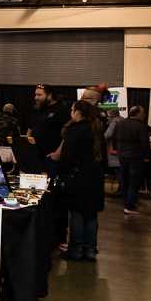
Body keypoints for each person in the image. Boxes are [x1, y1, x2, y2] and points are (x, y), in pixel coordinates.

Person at [59, 100, 106, 261]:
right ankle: (91, 249)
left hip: (78, 178)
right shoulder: (97, 131)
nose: (70, 113)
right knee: (91, 215)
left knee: (77, 214)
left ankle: (76, 250)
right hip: (95, 178)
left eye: (72, 110)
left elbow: (66, 157)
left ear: (78, 112)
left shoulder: (74, 130)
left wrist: (62, 173)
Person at [113, 105, 151, 216]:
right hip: (135, 157)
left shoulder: (120, 123)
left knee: (124, 180)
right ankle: (130, 206)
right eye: (143, 113)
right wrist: (147, 156)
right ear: (138, 114)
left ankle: (126, 203)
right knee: (134, 182)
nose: (144, 115)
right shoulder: (141, 126)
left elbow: (115, 139)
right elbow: (145, 143)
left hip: (122, 156)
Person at [104, 108, 124, 194]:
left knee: (119, 171)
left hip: (114, 151)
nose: (107, 118)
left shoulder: (114, 122)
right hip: (123, 150)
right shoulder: (123, 120)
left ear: (113, 115)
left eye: (108, 116)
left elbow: (108, 135)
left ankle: (122, 190)